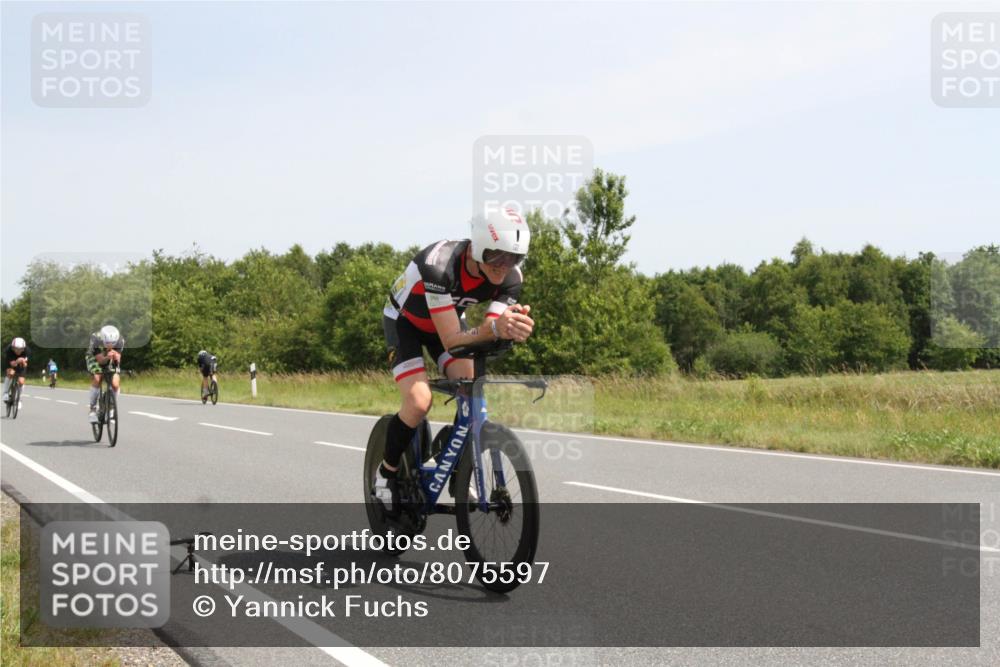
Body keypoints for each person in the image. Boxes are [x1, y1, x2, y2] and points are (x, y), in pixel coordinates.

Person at [374, 208, 536, 513]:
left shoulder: (511, 279)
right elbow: (452, 340)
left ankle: (459, 459)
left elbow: (489, 331)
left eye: (514, 258)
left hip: (445, 322)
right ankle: (387, 472)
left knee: (471, 386)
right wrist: (494, 329)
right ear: (477, 246)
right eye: (497, 256)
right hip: (405, 322)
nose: (505, 266)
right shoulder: (439, 266)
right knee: (419, 401)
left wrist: (511, 329)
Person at [86, 325, 124, 423]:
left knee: (115, 384)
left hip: (109, 357)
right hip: (95, 358)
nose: (110, 346)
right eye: (107, 343)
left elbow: (117, 360)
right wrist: (107, 357)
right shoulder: (96, 339)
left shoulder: (120, 340)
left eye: (112, 344)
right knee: (98, 377)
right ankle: (92, 409)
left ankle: (111, 407)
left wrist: (116, 357)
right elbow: (101, 361)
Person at [3, 337, 29, 410]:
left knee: (21, 381)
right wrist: (17, 361)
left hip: (21, 364)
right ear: (13, 347)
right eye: (16, 349)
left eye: (20, 349)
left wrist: (22, 361)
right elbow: (13, 364)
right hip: (11, 361)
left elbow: (25, 365)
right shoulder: (9, 350)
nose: (18, 351)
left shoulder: (27, 351)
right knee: (11, 373)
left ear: (23, 348)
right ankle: (5, 393)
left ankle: (19, 400)